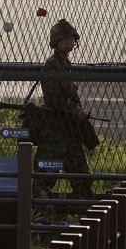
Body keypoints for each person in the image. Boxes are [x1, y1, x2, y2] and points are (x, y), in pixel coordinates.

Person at [33, 19, 98, 200]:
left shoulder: (65, 65)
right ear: (56, 42)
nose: (69, 42)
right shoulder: (52, 64)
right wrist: (74, 110)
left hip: (67, 129)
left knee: (81, 174)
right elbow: (53, 98)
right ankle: (39, 212)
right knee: (45, 175)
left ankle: (81, 208)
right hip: (54, 130)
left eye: (71, 39)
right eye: (64, 39)